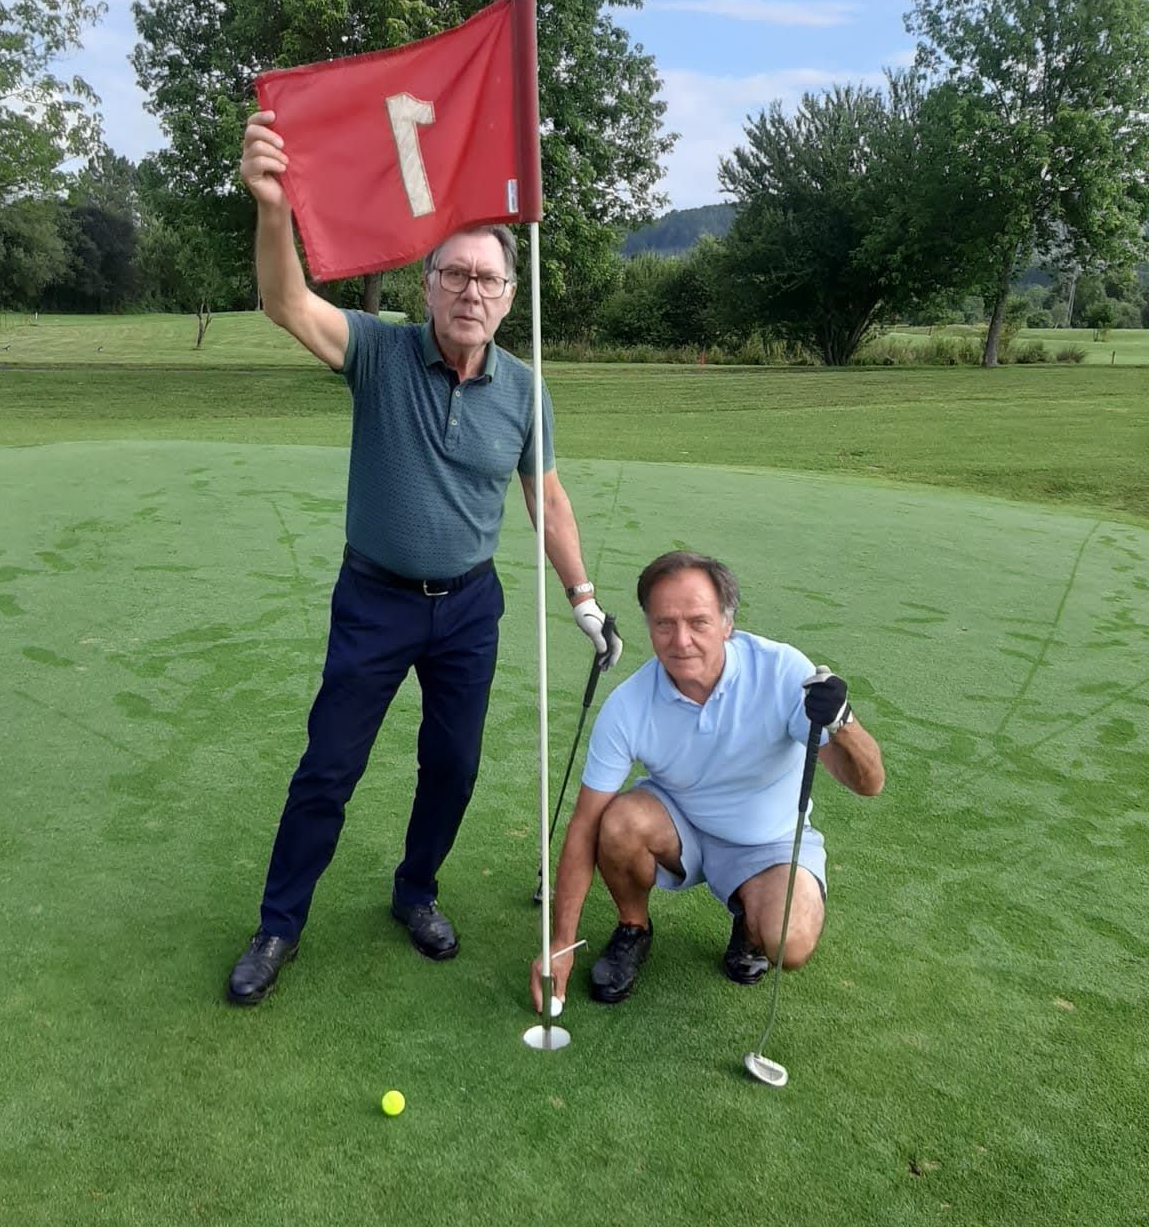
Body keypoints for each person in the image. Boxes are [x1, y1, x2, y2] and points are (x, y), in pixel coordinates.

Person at [229, 108, 621, 1005]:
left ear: (509, 296)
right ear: (428, 283)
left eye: (488, 278)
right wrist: (273, 206)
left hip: (469, 608)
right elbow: (287, 302)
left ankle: (415, 892)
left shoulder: (525, 389)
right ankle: (279, 924)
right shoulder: (379, 352)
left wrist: (583, 597)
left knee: (453, 767)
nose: (471, 292)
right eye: (455, 274)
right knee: (329, 767)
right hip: (375, 600)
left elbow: (545, 496)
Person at [530, 551, 883, 1011]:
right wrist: (561, 941)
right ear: (648, 626)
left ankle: (750, 924)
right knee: (616, 822)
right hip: (681, 827)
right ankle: (634, 927)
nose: (681, 641)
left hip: (767, 842)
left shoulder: (782, 672)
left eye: (698, 622)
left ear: (727, 624)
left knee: (789, 942)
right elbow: (584, 825)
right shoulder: (628, 705)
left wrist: (843, 722)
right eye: (664, 624)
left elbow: (868, 783)